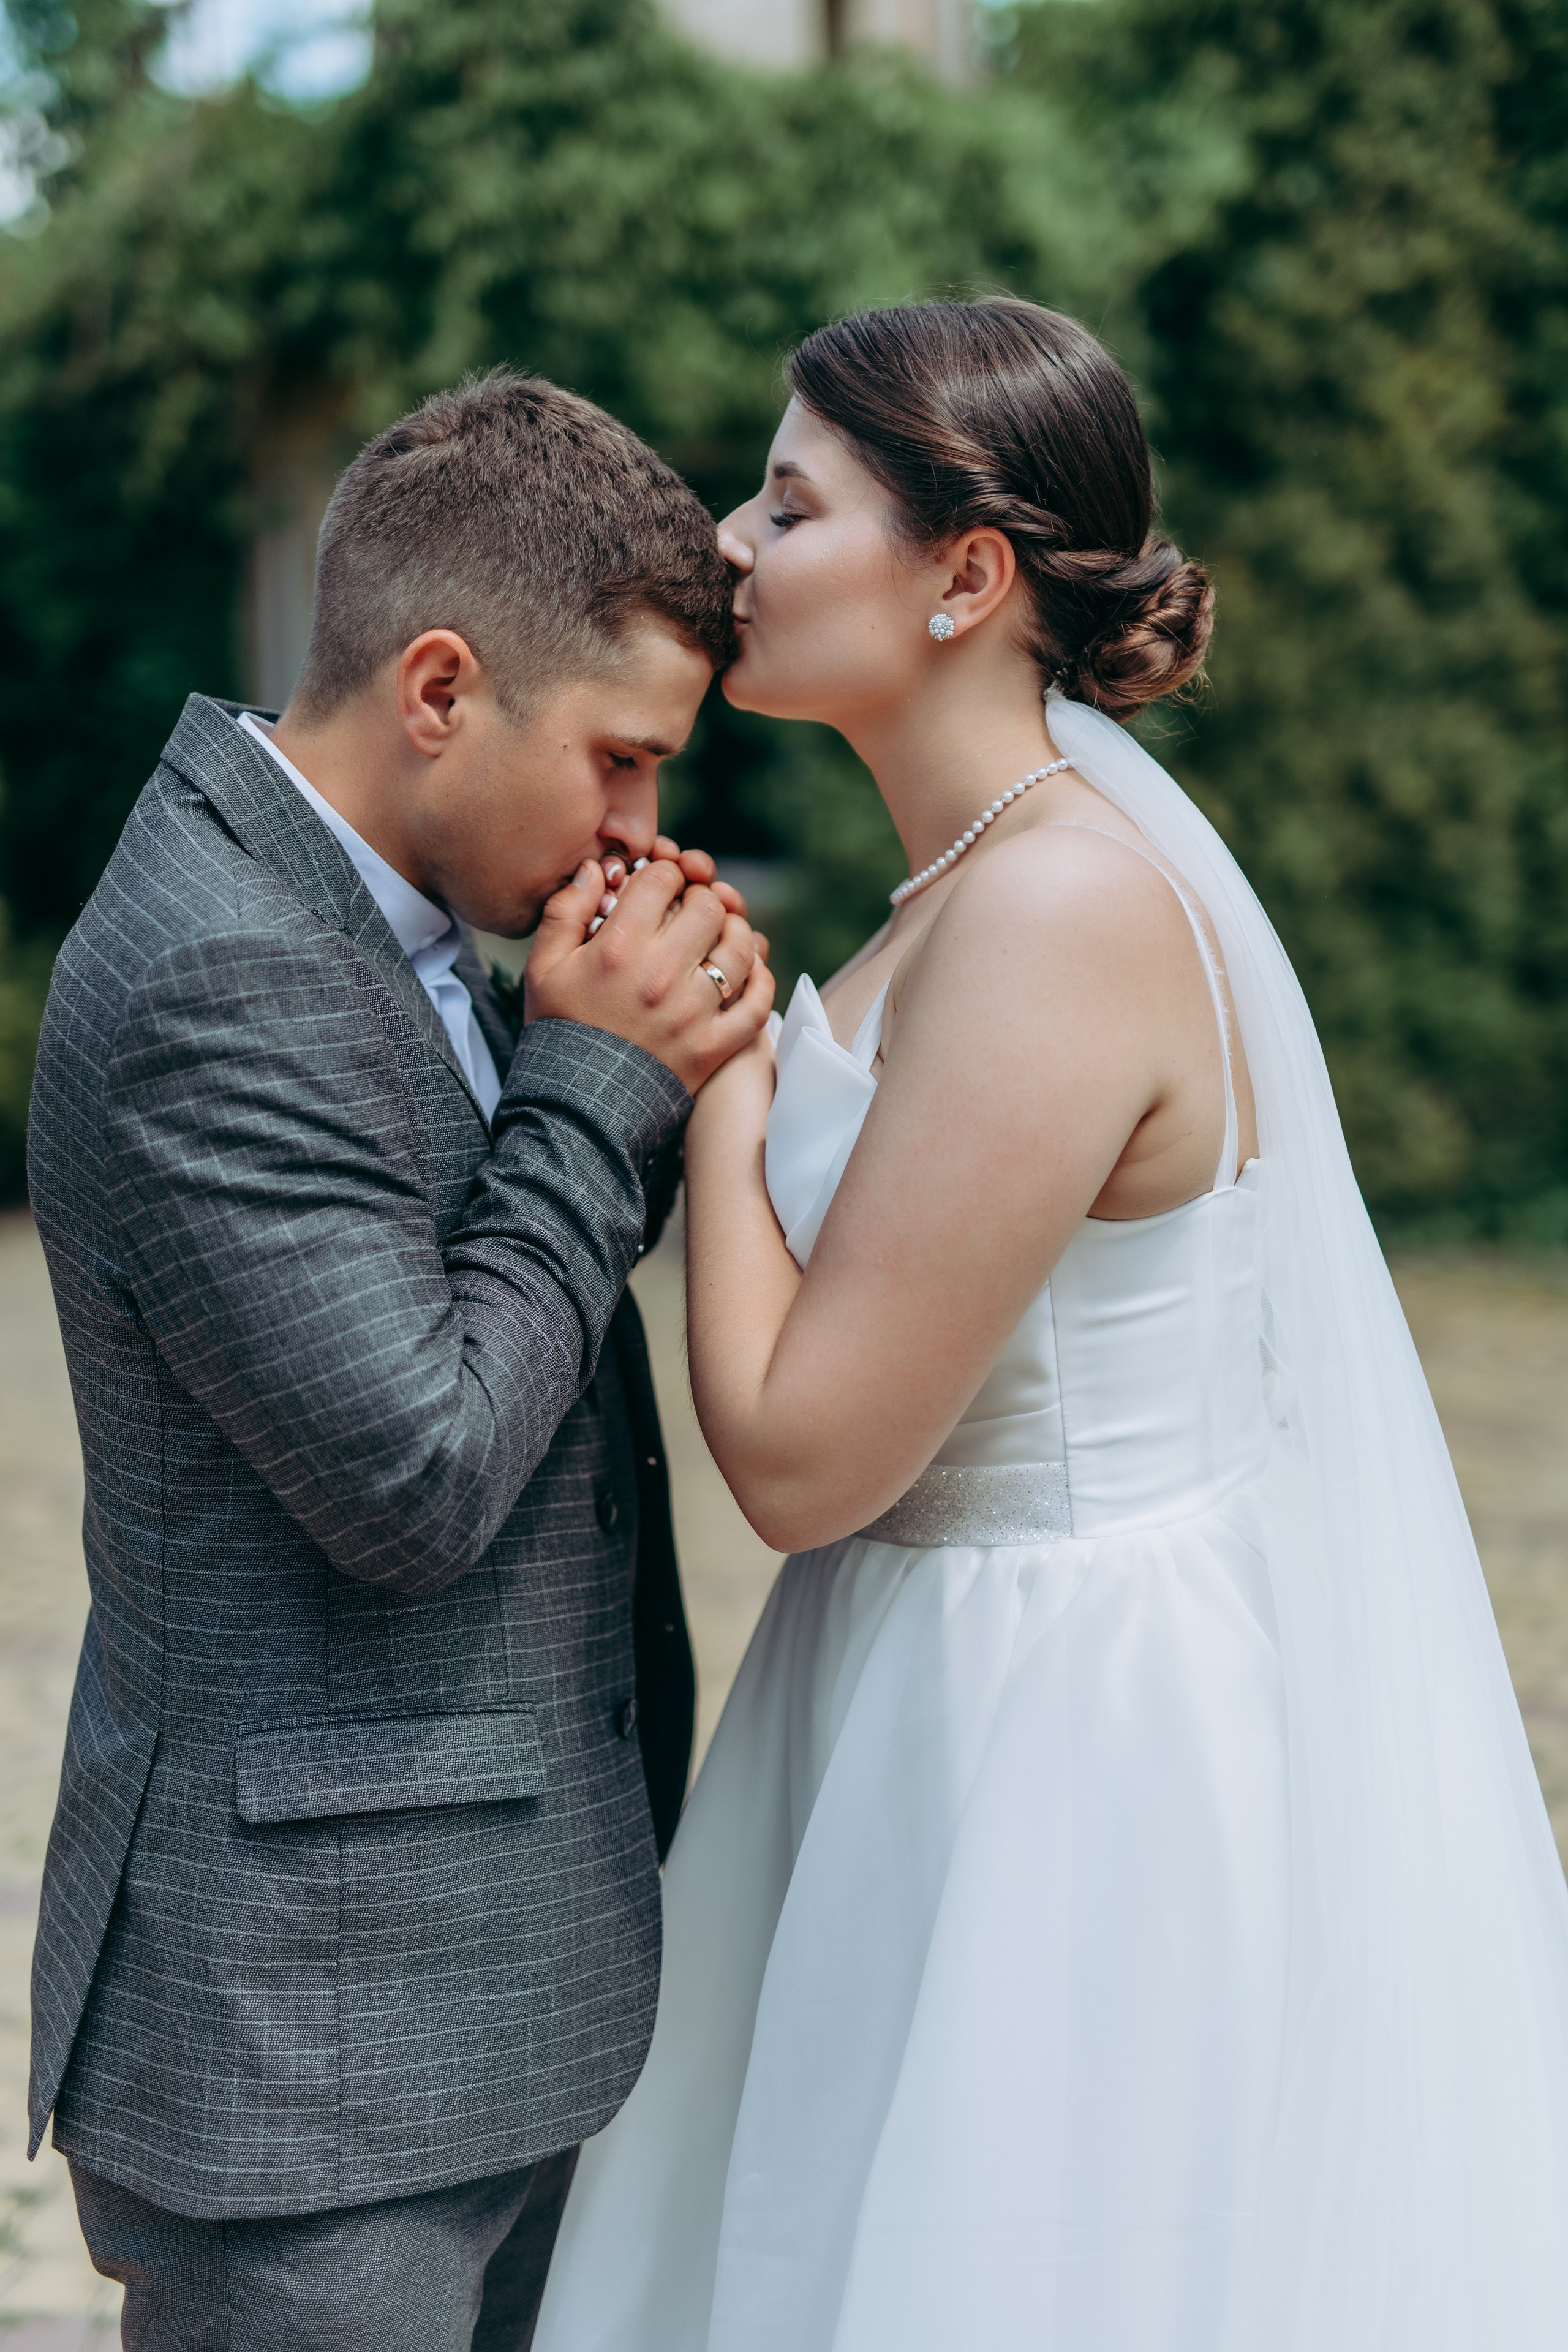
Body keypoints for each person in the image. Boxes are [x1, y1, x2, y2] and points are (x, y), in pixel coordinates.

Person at [533, 300, 1568, 2351]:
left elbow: (808, 1461)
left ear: (967, 579)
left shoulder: (1058, 916)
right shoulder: (957, 897)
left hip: (1061, 1740)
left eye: (793, 500)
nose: (731, 541)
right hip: (917, 1676)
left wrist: (716, 1074)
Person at [25, 368, 772, 2351]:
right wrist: (602, 1081)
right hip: (314, 2063)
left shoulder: (405, 917)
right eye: (620, 759)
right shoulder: (221, 971)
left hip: (490, 1984)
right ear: (440, 688)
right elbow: (416, 1474)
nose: (644, 826)